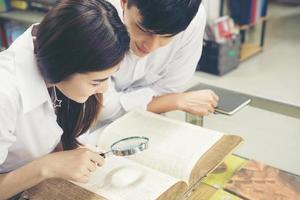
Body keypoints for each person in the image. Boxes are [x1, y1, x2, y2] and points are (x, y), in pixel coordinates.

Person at [0, 0, 130, 199]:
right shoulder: (5, 95)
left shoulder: (54, 69)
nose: (104, 89)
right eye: (96, 82)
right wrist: (48, 167)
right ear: (61, 68)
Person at [86, 0, 219, 140]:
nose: (151, 46)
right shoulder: (96, 12)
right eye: (143, 29)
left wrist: (168, 99)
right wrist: (174, 101)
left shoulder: (192, 19)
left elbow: (171, 88)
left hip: (147, 126)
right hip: (85, 131)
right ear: (124, 2)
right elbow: (103, 109)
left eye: (167, 36)